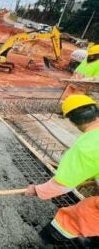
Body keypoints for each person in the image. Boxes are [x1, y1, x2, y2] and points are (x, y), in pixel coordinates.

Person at [25, 94, 99, 247]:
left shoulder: (87, 146)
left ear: (72, 121)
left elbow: (62, 184)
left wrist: (37, 190)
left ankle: (41, 242)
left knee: (73, 219)